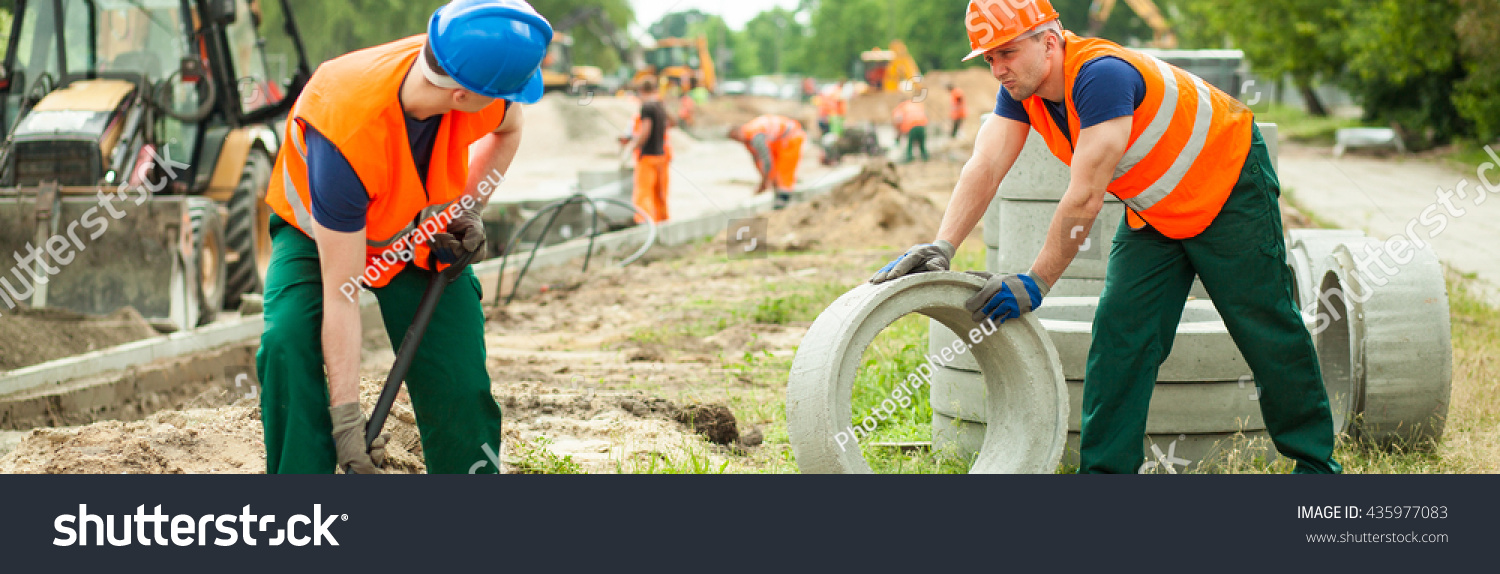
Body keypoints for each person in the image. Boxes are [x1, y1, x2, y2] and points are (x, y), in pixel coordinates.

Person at [869, 0, 1341, 475]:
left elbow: (1085, 197)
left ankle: (1316, 466)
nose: (998, 69)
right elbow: (987, 167)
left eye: (1006, 52)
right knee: (1120, 339)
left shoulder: (1102, 76)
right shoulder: (1022, 91)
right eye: (989, 58)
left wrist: (1036, 282)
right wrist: (941, 246)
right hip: (1156, 207)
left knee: (1264, 326)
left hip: (1227, 184)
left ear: (1049, 41)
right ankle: (1106, 476)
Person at [258, 0, 551, 474]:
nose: (510, 100)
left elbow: (510, 129)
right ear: (461, 95)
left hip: (417, 228)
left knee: (456, 376)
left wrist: (465, 210)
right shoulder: (345, 132)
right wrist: (348, 427)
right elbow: (342, 294)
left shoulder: (466, 73)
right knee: (287, 343)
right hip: (317, 237)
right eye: (505, 93)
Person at [730, 115, 805, 210]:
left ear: (738, 132)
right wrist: (764, 179)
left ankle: (783, 199)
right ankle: (779, 199)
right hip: (779, 140)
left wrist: (765, 182)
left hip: (791, 137)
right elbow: (757, 160)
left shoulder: (755, 136)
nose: (738, 142)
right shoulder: (748, 139)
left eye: (736, 138)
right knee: (776, 171)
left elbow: (767, 161)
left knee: (784, 171)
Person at [625, 76, 671, 223]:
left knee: (644, 193)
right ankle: (662, 221)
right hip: (661, 156)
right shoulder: (659, 105)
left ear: (641, 90)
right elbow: (673, 122)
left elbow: (645, 131)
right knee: (660, 193)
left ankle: (643, 222)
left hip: (648, 156)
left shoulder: (647, 107)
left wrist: (633, 146)